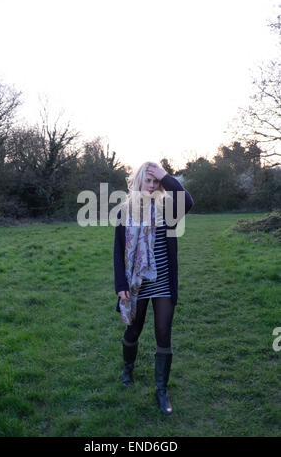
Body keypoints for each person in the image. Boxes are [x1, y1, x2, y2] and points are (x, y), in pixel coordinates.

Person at [113, 162, 194, 415]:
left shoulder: (167, 209)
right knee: (133, 330)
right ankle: (128, 368)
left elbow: (187, 201)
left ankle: (161, 390)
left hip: (162, 282)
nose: (150, 186)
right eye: (146, 181)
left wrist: (165, 176)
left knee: (163, 333)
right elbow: (118, 251)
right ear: (138, 183)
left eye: (154, 182)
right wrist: (120, 284)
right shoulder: (125, 212)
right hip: (136, 282)